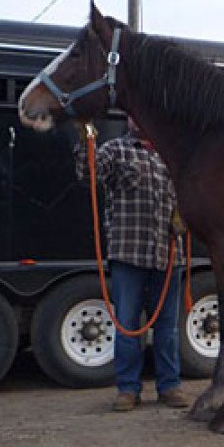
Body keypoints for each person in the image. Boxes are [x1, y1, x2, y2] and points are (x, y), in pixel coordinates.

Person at [73, 117, 189, 411]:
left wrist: (183, 216)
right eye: (132, 115)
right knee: (126, 325)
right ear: (128, 119)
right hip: (128, 254)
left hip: (168, 254)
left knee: (168, 329)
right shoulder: (116, 150)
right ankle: (127, 389)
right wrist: (85, 142)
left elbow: (191, 192)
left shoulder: (173, 153)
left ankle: (169, 387)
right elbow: (90, 174)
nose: (137, 119)